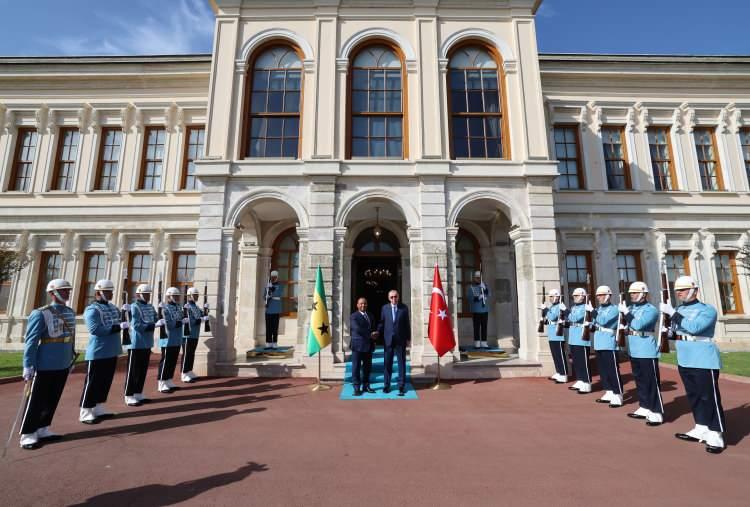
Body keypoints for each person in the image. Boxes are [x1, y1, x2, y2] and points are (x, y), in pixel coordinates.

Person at [661, 275, 725, 454]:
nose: (679, 293)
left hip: (703, 357)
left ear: (694, 290)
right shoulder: (679, 309)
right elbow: (677, 332)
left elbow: (695, 328)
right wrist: (667, 331)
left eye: (683, 290)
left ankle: (715, 433)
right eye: (677, 291)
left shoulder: (707, 310)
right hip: (685, 357)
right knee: (694, 395)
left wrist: (672, 313)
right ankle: (701, 426)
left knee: (708, 396)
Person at [19, 279, 76, 449]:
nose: (66, 293)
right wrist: (28, 364)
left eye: (67, 290)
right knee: (36, 399)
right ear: (52, 293)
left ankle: (43, 428)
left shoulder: (69, 312)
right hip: (44, 363)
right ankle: (28, 433)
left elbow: (70, 337)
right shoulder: (40, 313)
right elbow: (31, 341)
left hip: (62, 362)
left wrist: (70, 358)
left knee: (52, 397)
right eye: (63, 290)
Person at [80, 279, 124, 424]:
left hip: (112, 350)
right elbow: (95, 329)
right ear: (99, 292)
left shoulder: (113, 307)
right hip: (98, 351)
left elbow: (120, 320)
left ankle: (98, 406)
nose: (111, 294)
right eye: (107, 291)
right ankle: (85, 410)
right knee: (92, 382)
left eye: (111, 291)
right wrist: (117, 328)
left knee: (105, 381)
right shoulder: (92, 309)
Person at [622, 281, 663, 426]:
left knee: (651, 382)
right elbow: (629, 326)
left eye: (635, 293)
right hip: (634, 349)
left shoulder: (650, 309)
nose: (632, 295)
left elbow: (639, 325)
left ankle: (656, 411)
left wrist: (626, 314)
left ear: (644, 294)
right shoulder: (631, 308)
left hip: (646, 349)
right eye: (631, 293)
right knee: (639, 380)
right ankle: (645, 406)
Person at [591, 285, 623, 407]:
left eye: (601, 295)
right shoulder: (599, 309)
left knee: (612, 369)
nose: (599, 297)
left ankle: (618, 393)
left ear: (608, 296)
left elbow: (603, 321)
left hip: (609, 342)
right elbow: (595, 323)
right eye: (598, 295)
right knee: (603, 370)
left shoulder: (614, 309)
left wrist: (593, 313)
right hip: (599, 341)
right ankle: (609, 391)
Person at [124, 284, 157, 406]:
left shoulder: (150, 306)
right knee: (133, 371)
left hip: (147, 343)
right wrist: (153, 325)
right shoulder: (134, 307)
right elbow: (137, 326)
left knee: (142, 370)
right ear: (138, 294)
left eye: (149, 294)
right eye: (146, 294)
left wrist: (161, 311)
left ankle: (138, 393)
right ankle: (129, 395)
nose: (148, 296)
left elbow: (156, 318)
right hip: (136, 343)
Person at [377, 290, 410, 396]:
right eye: (391, 297)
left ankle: (401, 385)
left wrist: (408, 338)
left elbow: (407, 324)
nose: (394, 299)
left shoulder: (404, 308)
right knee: (387, 363)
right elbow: (382, 322)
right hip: (388, 340)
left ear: (398, 297)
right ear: (388, 298)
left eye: (395, 297)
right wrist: (377, 332)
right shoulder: (384, 308)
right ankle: (387, 385)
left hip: (401, 340)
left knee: (401, 363)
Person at [157, 287, 188, 393]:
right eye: (175, 296)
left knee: (172, 361)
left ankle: (168, 380)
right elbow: (168, 324)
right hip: (167, 339)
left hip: (176, 338)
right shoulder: (164, 308)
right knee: (165, 361)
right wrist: (180, 322)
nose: (177, 297)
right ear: (169, 296)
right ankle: (161, 382)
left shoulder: (179, 307)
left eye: (178, 296)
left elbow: (180, 318)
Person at [540, 288, 569, 383]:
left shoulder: (559, 306)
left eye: (552, 296)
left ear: (557, 297)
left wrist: (545, 309)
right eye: (550, 297)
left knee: (560, 355)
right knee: (555, 355)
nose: (551, 298)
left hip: (558, 334)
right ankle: (559, 372)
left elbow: (552, 316)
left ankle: (564, 374)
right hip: (552, 334)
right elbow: (551, 319)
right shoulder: (553, 307)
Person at [349, 297, 377, 396]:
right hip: (357, 346)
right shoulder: (354, 316)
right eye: (361, 304)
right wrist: (370, 334)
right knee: (356, 368)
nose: (363, 305)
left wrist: (375, 333)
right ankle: (357, 388)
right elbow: (357, 329)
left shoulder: (370, 315)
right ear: (357, 305)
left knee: (367, 368)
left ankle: (366, 386)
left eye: (364, 303)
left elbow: (374, 327)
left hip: (368, 345)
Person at [567, 287, 592, 393]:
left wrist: (566, 312)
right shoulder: (574, 307)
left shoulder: (585, 307)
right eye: (574, 296)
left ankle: (587, 382)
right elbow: (570, 319)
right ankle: (580, 380)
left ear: (582, 296)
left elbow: (574, 318)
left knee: (583, 362)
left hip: (581, 338)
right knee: (576, 361)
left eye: (576, 296)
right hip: (573, 337)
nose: (574, 298)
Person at [181, 287, 207, 383]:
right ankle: (184, 373)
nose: (197, 296)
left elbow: (202, 315)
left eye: (197, 295)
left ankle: (189, 371)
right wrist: (201, 319)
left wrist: (206, 310)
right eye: (195, 295)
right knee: (187, 354)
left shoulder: (195, 307)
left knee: (191, 354)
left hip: (195, 334)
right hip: (187, 335)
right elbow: (191, 321)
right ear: (189, 295)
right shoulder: (186, 307)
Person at [467, 270, 491, 349]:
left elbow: (489, 294)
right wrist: (478, 298)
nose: (478, 279)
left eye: (479, 278)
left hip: (484, 310)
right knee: (476, 327)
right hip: (476, 310)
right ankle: (477, 342)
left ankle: (484, 342)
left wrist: (485, 289)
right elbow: (470, 298)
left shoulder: (484, 286)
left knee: (484, 326)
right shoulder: (471, 287)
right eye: (477, 278)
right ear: (474, 278)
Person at [264, 270, 283, 349]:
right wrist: (267, 295)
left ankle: (274, 342)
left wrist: (272, 291)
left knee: (275, 327)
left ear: (277, 277)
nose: (273, 278)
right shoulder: (268, 286)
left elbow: (279, 294)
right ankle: (268, 342)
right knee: (268, 327)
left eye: (275, 277)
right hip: (268, 309)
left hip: (275, 309)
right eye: (272, 277)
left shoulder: (280, 286)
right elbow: (264, 296)